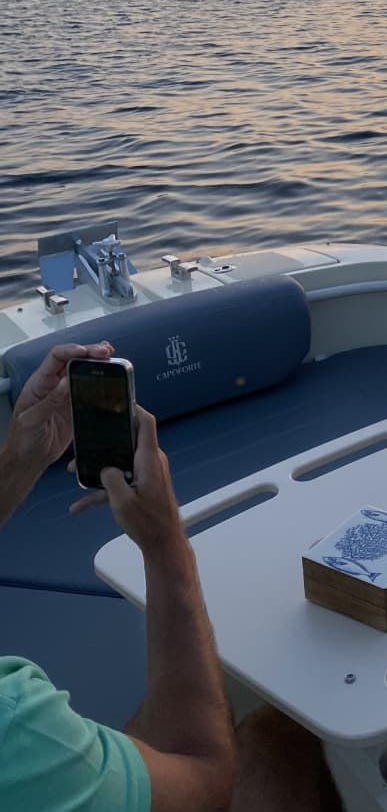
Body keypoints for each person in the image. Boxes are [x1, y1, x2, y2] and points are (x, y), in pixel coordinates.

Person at [0, 340, 340, 812]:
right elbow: (207, 777)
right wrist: (163, 544)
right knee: (280, 736)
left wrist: (20, 459)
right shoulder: (20, 735)